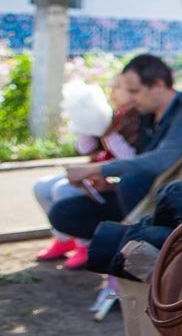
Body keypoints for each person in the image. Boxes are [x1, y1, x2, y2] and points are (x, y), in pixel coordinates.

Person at [47, 54, 182, 269]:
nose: (130, 98)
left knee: (132, 182)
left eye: (134, 91)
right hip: (139, 200)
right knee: (64, 213)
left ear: (158, 85)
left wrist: (98, 169)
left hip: (173, 205)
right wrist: (110, 184)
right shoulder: (146, 116)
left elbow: (163, 160)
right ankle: (129, 253)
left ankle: (142, 260)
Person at [34, 74, 142, 267]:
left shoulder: (139, 121)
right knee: (41, 187)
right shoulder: (113, 116)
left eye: (119, 87)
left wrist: (109, 133)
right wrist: (83, 125)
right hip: (94, 175)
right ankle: (64, 239)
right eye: (112, 87)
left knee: (62, 189)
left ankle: (86, 245)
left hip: (116, 185)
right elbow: (85, 149)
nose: (112, 92)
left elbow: (130, 161)